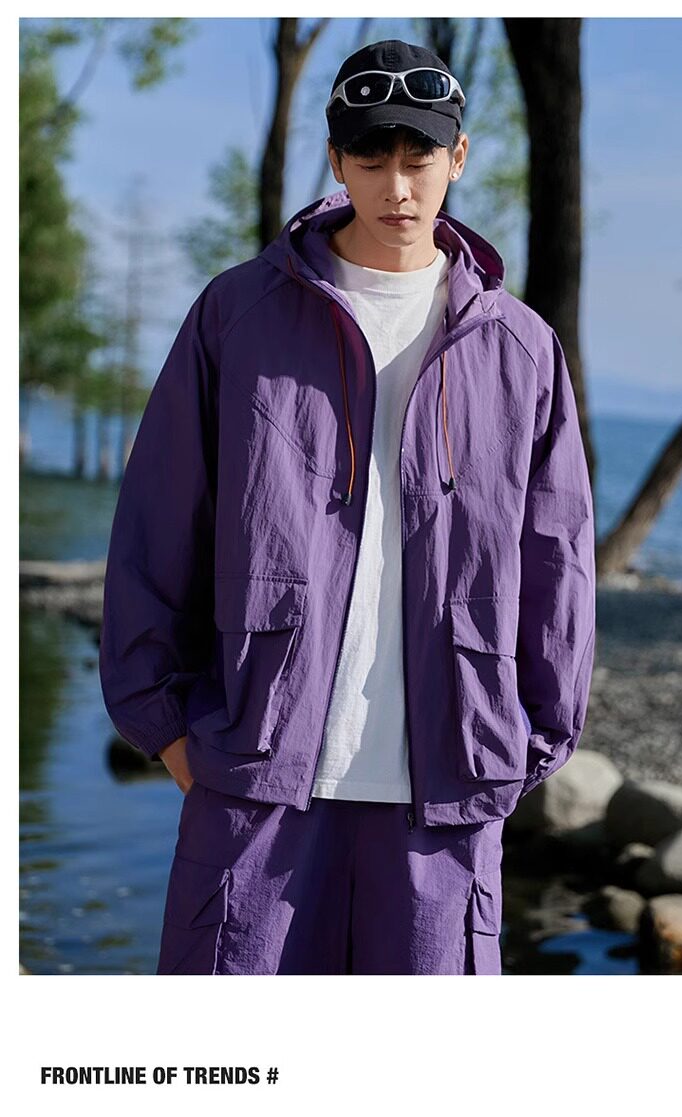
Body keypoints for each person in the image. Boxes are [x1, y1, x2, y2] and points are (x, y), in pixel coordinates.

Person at [99, 38, 596, 975]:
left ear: (458, 157)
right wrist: (166, 728)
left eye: (419, 158)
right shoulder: (238, 315)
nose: (397, 187)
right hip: (256, 773)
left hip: (447, 788)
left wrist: (529, 742)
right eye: (371, 158)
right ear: (336, 159)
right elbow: (157, 523)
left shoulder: (521, 348)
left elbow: (556, 559)